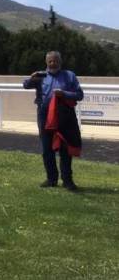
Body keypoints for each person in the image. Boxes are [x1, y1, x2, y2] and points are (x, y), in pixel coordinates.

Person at [23, 51, 83, 191]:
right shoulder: (41, 76)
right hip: (44, 115)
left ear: (60, 62)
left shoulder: (69, 75)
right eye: (50, 61)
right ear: (46, 63)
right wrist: (31, 78)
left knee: (65, 149)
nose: (53, 63)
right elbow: (25, 85)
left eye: (55, 61)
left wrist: (64, 94)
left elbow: (79, 95)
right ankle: (51, 179)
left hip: (64, 115)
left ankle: (67, 181)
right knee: (47, 148)